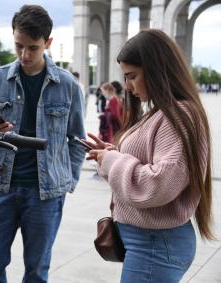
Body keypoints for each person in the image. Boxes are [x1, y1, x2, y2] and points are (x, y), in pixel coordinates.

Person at [86, 29, 215, 282]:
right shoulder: (164, 113)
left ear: (157, 70)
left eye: (132, 76)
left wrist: (113, 161)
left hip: (155, 244)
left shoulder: (178, 114)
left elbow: (159, 184)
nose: (127, 86)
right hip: (151, 242)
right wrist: (111, 154)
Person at [0, 5, 86, 283]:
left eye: (33, 48)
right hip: (2, 185)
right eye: (19, 45)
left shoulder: (68, 85)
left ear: (48, 43)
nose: (24, 55)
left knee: (36, 271)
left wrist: (69, 180)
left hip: (46, 194)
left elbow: (77, 139)